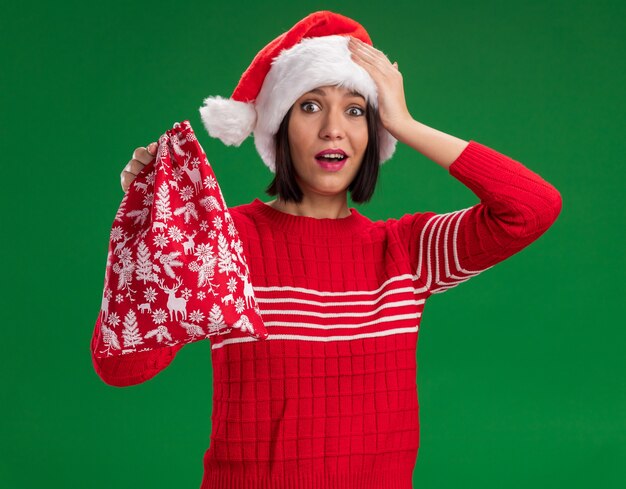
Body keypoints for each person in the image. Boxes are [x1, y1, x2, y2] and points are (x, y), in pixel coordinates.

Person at [101, 10, 562, 489]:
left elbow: (532, 208)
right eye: (310, 106)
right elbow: (123, 367)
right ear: (279, 127)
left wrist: (404, 121)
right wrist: (148, 242)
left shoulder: (406, 253)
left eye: (356, 110)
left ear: (373, 134)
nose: (333, 129)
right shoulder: (225, 240)